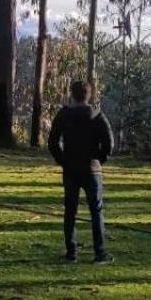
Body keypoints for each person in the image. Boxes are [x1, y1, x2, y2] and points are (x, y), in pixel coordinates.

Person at [47, 79, 114, 263]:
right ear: (89, 94)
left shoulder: (63, 114)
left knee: (70, 211)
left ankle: (71, 252)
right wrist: (99, 160)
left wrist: (63, 161)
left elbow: (52, 143)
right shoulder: (97, 115)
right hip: (92, 169)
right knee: (96, 211)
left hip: (71, 169)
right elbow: (109, 144)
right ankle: (100, 253)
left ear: (72, 94)